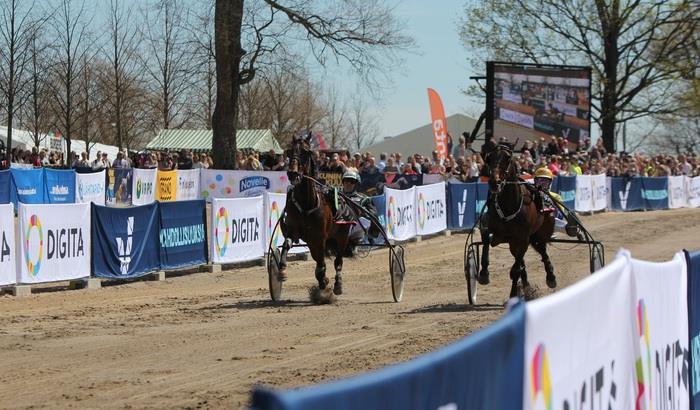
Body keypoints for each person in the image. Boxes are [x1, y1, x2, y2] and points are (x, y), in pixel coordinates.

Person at [532, 167, 580, 237]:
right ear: (535, 181)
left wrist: (548, 206)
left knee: (555, 221)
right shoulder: (530, 193)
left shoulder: (556, 197)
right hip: (533, 222)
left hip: (549, 222)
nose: (542, 183)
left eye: (545, 181)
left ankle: (572, 229)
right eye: (539, 180)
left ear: (550, 182)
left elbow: (560, 215)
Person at [340, 170, 379, 254]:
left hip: (355, 228)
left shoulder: (363, 199)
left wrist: (371, 234)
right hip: (338, 227)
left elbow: (373, 215)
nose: (348, 184)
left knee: (364, 220)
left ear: (356, 184)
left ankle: (355, 242)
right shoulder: (336, 196)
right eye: (346, 181)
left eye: (352, 181)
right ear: (343, 183)